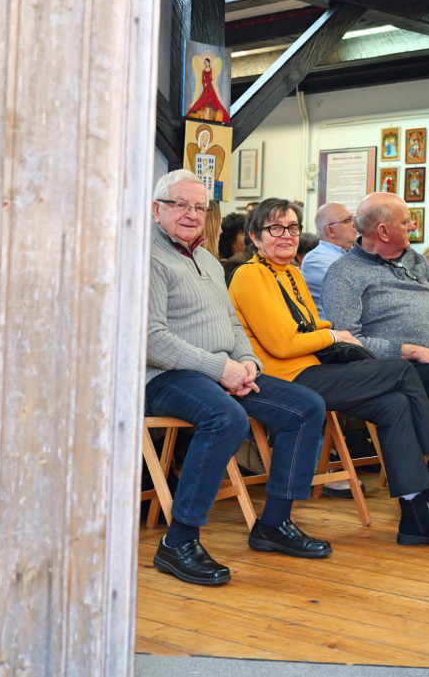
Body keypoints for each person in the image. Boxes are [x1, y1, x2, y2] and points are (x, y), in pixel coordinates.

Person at [228, 198, 429, 545]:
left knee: (395, 404)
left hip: (313, 367)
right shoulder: (250, 275)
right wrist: (332, 334)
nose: (286, 235)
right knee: (401, 373)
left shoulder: (290, 273)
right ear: (255, 237)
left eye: (292, 228)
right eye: (275, 228)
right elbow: (283, 345)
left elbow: (312, 326)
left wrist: (328, 332)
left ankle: (416, 516)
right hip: (285, 377)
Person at [146, 171, 332, 586]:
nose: (192, 214)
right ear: (156, 209)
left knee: (306, 407)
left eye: (200, 206)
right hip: (164, 376)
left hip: (221, 372)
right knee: (227, 417)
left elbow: (233, 325)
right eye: (180, 204)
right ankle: (178, 542)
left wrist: (247, 364)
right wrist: (221, 370)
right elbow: (150, 340)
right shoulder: (148, 257)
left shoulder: (209, 260)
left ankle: (274, 524)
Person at [322, 192, 429, 510]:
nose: (413, 226)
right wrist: (409, 350)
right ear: (383, 231)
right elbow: (347, 341)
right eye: (406, 221)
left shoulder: (414, 262)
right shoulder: (343, 274)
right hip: (402, 366)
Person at [300, 202, 357, 319]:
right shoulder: (316, 259)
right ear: (330, 231)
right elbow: (355, 290)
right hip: (332, 333)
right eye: (347, 221)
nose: (355, 225)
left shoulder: (353, 254)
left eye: (354, 219)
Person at [186, 55, 230, 123]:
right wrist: (204, 83)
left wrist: (208, 82)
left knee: (213, 98)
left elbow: (210, 78)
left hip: (209, 85)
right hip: (205, 85)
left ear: (209, 63)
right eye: (205, 63)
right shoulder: (204, 70)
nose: (206, 64)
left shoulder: (211, 70)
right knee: (203, 97)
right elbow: (203, 79)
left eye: (207, 63)